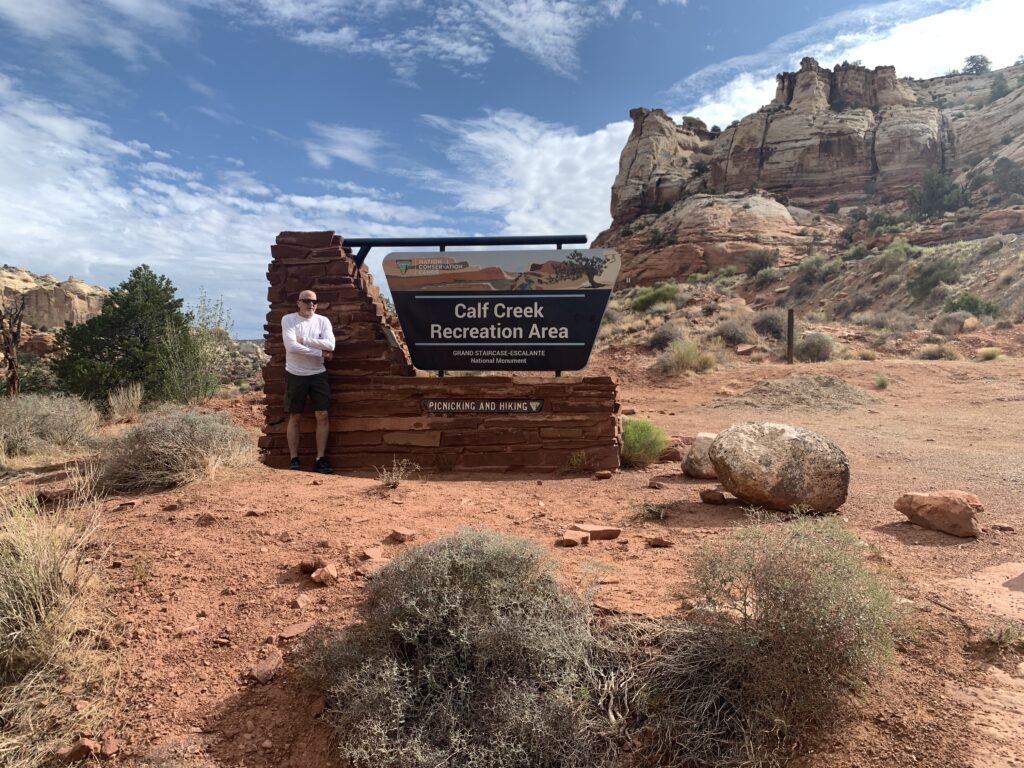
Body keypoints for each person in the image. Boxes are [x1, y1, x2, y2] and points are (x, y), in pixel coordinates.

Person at [282, 290, 336, 473]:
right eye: (306, 301)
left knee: (322, 415)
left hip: (318, 373)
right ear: (298, 303)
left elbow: (331, 345)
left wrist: (304, 340)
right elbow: (291, 346)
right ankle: (294, 458)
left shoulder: (323, 321)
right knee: (295, 416)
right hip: (295, 373)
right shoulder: (288, 320)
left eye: (313, 302)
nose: (310, 304)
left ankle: (320, 458)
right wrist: (320, 352)